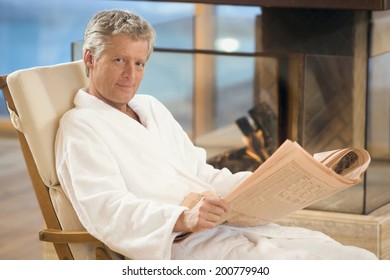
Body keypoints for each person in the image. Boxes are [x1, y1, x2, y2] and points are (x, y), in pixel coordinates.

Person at [55, 9, 377, 260]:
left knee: (353, 257)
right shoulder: (80, 127)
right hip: (179, 245)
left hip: (221, 226)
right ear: (90, 59)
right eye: (120, 60)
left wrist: (266, 182)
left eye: (139, 63)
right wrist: (184, 218)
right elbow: (109, 210)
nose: (131, 74)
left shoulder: (149, 108)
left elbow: (201, 173)